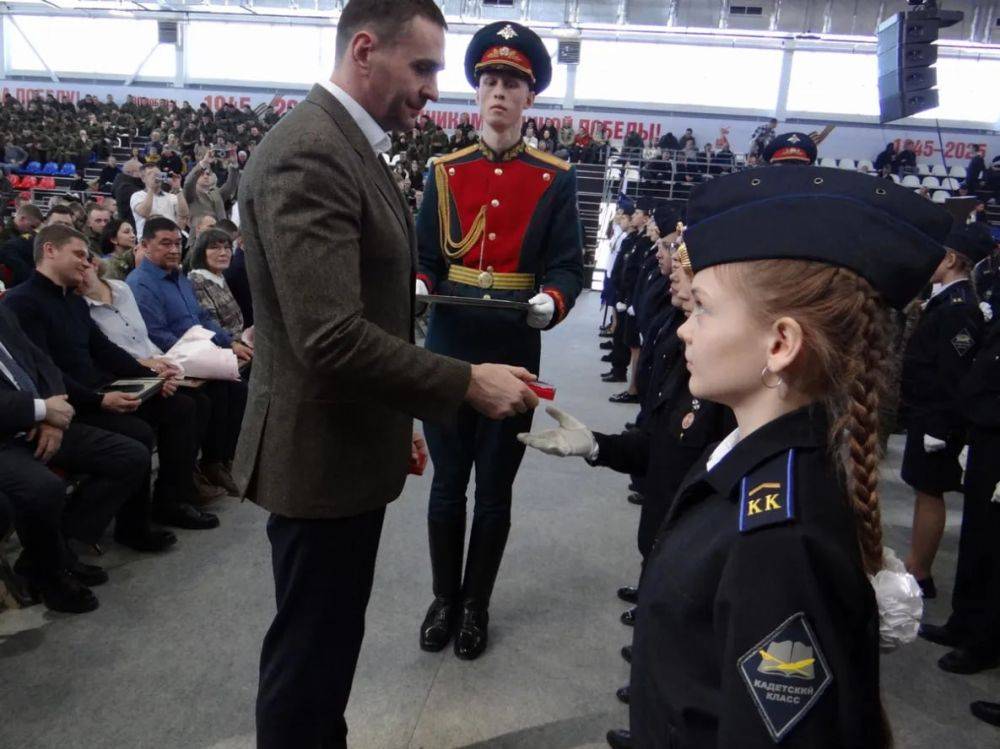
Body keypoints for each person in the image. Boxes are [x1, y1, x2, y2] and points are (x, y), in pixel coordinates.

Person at [234, 2, 540, 746]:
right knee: (308, 664)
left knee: (327, 649)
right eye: (425, 67)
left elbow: (365, 310)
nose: (436, 88)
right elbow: (330, 336)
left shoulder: (348, 144)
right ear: (365, 50)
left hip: (345, 441)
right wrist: (464, 381)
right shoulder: (313, 152)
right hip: (318, 458)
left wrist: (394, 416)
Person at [613, 165, 947, 747]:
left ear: (781, 343)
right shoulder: (754, 457)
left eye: (705, 310)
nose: (685, 331)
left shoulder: (777, 539)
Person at [414, 19, 584, 662]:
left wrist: (553, 300)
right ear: (476, 92)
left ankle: (476, 604)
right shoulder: (444, 170)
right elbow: (427, 255)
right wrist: (422, 281)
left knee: (496, 489)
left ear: (530, 96)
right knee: (447, 483)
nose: (500, 93)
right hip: (452, 341)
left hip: (516, 344)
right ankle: (442, 597)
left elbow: (568, 265)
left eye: (513, 82)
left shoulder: (554, 176)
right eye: (489, 80)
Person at [2, 224, 199, 547]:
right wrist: (98, 401)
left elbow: (104, 350)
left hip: (97, 391)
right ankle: (97, 532)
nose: (87, 263)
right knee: (137, 433)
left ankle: (170, 501)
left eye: (89, 256)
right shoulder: (22, 303)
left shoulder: (72, 299)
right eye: (79, 254)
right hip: (68, 403)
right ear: (50, 250)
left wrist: (151, 379)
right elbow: (43, 373)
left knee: (181, 406)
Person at [0, 303, 150, 612]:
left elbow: (43, 364)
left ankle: (54, 552)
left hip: (43, 418)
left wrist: (53, 412)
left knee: (131, 455)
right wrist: (40, 410)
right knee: (42, 488)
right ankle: (51, 578)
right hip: (6, 439)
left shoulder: (3, 314)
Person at [127, 217, 248, 495]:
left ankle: (218, 461)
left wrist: (227, 342)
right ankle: (190, 477)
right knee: (207, 398)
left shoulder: (178, 277)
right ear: (145, 246)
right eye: (165, 243)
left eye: (177, 243)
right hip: (172, 360)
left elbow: (201, 317)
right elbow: (157, 333)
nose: (173, 249)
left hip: (198, 350)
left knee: (236, 388)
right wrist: (204, 354)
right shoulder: (141, 283)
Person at [900, 226, 987, 596]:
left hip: (937, 417)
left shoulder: (958, 307)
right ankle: (917, 565)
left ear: (952, 259)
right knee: (923, 489)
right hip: (926, 412)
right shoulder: (946, 301)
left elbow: (955, 374)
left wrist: (942, 424)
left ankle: (920, 570)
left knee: (929, 490)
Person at [187, 228, 246, 340]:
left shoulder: (219, 276)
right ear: (201, 252)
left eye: (227, 248)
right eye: (215, 248)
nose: (223, 253)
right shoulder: (197, 281)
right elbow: (211, 327)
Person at [130, 163, 188, 238]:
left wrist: (178, 189)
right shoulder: (137, 196)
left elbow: (184, 214)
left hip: (172, 237)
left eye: (157, 173)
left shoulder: (171, 196)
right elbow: (144, 212)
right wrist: (151, 188)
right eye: (150, 174)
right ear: (143, 179)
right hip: (149, 240)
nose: (155, 176)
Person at [183, 151, 240, 225]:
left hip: (221, 232)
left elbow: (231, 185)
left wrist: (234, 164)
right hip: (201, 233)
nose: (206, 176)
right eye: (202, 174)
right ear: (196, 177)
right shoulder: (191, 194)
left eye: (208, 174)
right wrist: (204, 162)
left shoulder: (217, 193)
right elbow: (188, 183)